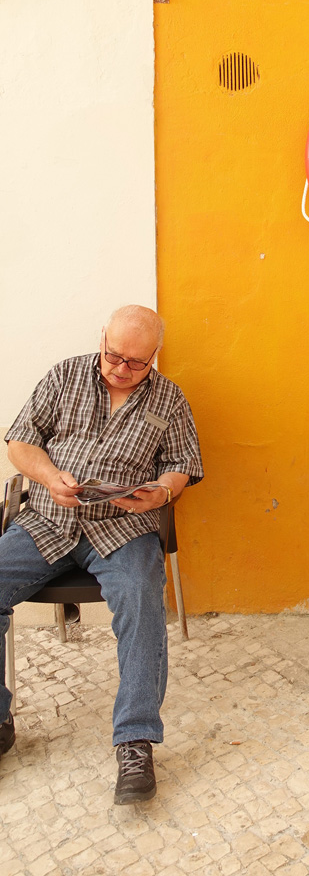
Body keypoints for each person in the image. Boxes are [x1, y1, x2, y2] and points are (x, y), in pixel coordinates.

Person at [0, 306, 203, 804]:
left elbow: (183, 463)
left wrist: (161, 493)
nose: (121, 369)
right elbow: (21, 442)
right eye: (114, 356)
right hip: (48, 518)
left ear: (154, 355)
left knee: (141, 601)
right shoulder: (64, 375)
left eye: (136, 362)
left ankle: (135, 740)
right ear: (102, 340)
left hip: (122, 529)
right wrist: (50, 477)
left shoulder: (170, 399)